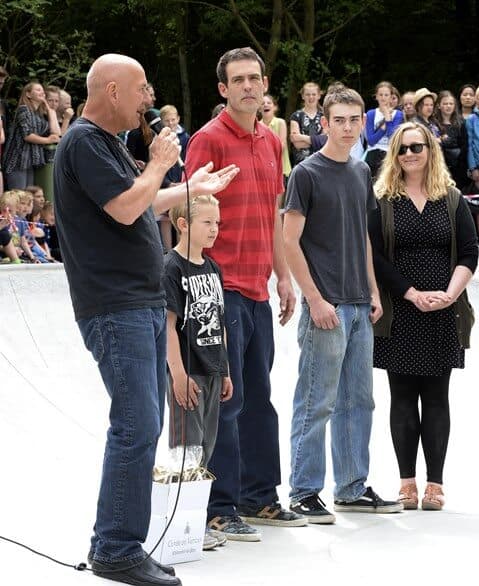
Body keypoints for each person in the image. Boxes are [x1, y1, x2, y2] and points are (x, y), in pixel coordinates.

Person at [53, 53, 238, 585]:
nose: (147, 98)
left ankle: (123, 542)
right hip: (116, 307)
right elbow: (125, 209)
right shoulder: (84, 140)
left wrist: (191, 188)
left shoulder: (105, 144)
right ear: (111, 91)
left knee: (143, 425)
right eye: (140, 89)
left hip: (139, 303)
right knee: (137, 426)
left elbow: (142, 200)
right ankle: (114, 547)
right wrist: (159, 163)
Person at [184, 46, 301, 542]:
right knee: (225, 402)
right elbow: (185, 216)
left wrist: (284, 276)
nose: (249, 86)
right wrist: (189, 286)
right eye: (239, 80)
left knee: (259, 399)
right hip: (219, 286)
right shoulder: (208, 140)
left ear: (265, 84)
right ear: (223, 89)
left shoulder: (272, 142)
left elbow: (273, 216)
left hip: (257, 288)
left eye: (256, 78)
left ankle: (259, 496)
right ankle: (219, 505)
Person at [283, 86, 402, 524]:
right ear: (325, 123)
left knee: (359, 401)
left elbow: (363, 238)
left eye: (355, 120)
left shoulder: (358, 172)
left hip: (358, 305)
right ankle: (303, 491)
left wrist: (373, 290)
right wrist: (314, 300)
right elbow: (290, 242)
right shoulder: (307, 174)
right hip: (326, 307)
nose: (348, 127)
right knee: (316, 401)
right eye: (340, 120)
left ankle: (351, 486)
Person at [369, 122, 478, 511]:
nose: (410, 153)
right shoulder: (381, 199)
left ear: (431, 150)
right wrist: (410, 293)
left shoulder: (450, 198)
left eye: (418, 146)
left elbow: (469, 251)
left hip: (442, 311)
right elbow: (376, 257)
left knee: (436, 398)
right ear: (393, 155)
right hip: (400, 310)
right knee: (400, 398)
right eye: (402, 148)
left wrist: (451, 293)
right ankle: (406, 483)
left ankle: (435, 484)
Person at [163, 195, 235, 552]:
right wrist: (176, 373)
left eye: (217, 223)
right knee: (186, 450)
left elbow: (219, 324)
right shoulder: (171, 268)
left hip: (211, 370)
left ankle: (195, 522)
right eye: (207, 222)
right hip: (187, 374)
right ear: (184, 224)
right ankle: (179, 525)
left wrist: (225, 370)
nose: (214, 229)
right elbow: (168, 325)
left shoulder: (212, 268)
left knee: (204, 450)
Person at [2, 81, 61, 189]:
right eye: (38, 90)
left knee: (27, 199)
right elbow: (27, 135)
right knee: (17, 198)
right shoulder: (23, 109)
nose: (42, 92)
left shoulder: (38, 116)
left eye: (43, 91)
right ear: (28, 94)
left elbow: (56, 134)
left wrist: (50, 111)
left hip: (30, 163)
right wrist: (47, 140)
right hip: (17, 162)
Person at [365, 81, 405, 177]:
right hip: (372, 154)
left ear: (391, 97)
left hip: (389, 153)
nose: (383, 98)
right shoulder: (371, 113)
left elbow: (392, 137)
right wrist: (383, 129)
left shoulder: (398, 114)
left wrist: (387, 117)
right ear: (376, 96)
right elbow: (371, 140)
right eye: (381, 95)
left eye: (386, 95)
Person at [434, 90, 469, 189]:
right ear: (439, 105)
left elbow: (464, 145)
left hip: (458, 166)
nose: (448, 106)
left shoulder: (461, 122)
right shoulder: (434, 122)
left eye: (451, 103)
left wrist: (443, 140)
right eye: (445, 103)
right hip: (439, 164)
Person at [289, 81, 323, 167]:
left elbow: (325, 141)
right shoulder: (296, 116)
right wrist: (317, 141)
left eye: (314, 94)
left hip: (321, 162)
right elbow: (296, 143)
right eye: (307, 94)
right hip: (301, 164)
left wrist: (301, 137)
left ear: (319, 95)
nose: (311, 97)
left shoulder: (325, 116)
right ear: (303, 96)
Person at [260, 94, 291, 180]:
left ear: (275, 107)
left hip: (280, 169)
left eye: (269, 103)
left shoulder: (280, 122)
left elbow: (282, 145)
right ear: (259, 109)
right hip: (263, 170)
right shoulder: (257, 126)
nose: (265, 104)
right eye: (262, 103)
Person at [159, 105, 189, 184]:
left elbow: (188, 160)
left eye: (173, 119)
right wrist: (167, 183)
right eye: (167, 120)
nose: (170, 123)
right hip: (165, 183)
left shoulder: (185, 138)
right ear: (161, 121)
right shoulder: (157, 139)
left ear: (178, 119)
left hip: (182, 180)